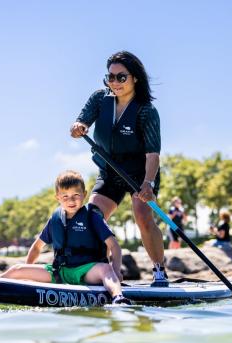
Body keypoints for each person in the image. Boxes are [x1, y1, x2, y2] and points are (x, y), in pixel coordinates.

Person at [70, 51, 168, 286]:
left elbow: (153, 154)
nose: (114, 83)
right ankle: (100, 271)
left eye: (121, 77)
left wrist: (148, 184)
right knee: (92, 217)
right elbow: (81, 122)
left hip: (139, 174)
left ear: (135, 78)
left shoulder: (146, 111)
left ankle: (159, 271)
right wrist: (78, 127)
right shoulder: (99, 99)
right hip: (110, 171)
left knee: (143, 217)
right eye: (110, 77)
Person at [0, 170, 132, 305]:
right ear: (58, 198)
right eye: (65, 196)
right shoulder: (55, 219)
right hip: (60, 271)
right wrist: (28, 272)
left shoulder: (93, 216)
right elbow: (37, 247)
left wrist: (116, 271)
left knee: (105, 269)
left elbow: (114, 246)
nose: (71, 200)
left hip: (87, 271)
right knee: (17, 270)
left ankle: (118, 298)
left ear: (84, 195)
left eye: (76, 195)